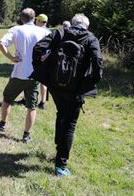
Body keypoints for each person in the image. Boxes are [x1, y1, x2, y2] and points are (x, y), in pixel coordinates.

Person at [31, 13, 102, 177]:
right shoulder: (91, 38)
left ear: (73, 23)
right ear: (86, 26)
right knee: (69, 123)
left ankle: (58, 149)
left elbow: (38, 48)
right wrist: (92, 81)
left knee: (61, 114)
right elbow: (97, 61)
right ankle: (60, 165)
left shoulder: (60, 33)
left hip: (55, 86)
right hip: (76, 89)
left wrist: (41, 68)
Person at [0, 8, 49, 143]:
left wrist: (11, 57)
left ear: (21, 18)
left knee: (7, 99)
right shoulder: (44, 31)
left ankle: (2, 124)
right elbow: (51, 50)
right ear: (34, 19)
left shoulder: (16, 30)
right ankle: (26, 135)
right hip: (35, 75)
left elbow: (1, 44)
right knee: (32, 106)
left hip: (19, 73)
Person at [35, 14, 51, 110]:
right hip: (46, 58)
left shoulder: (36, 31)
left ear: (40, 21)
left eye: (37, 20)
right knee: (43, 81)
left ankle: (26, 99)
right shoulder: (49, 32)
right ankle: (43, 102)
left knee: (31, 78)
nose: (35, 21)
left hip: (38, 57)